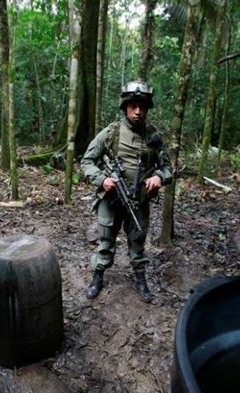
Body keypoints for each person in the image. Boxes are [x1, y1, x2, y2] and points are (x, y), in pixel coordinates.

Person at [81, 80, 172, 303]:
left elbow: (168, 168)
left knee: (138, 244)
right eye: (133, 106)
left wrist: (159, 177)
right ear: (125, 106)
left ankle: (141, 280)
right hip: (111, 198)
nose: (138, 111)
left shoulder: (153, 137)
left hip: (138, 201)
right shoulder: (111, 133)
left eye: (142, 106)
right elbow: (87, 161)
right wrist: (102, 180)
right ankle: (98, 278)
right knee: (105, 242)